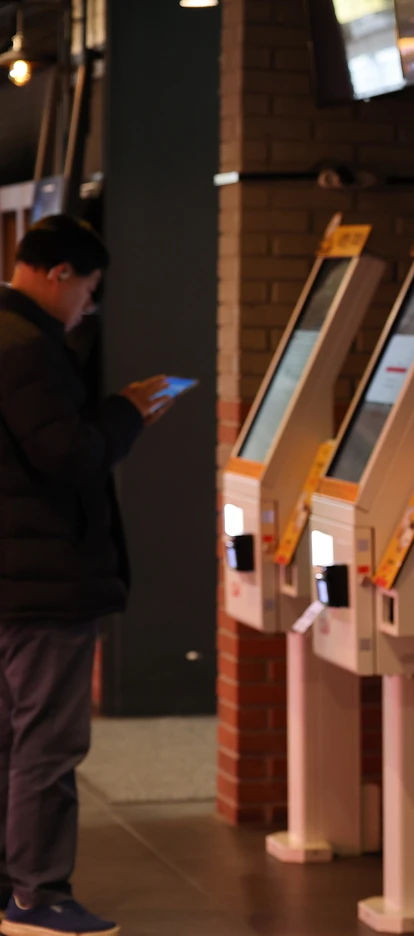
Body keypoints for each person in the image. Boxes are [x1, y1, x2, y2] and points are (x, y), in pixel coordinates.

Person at [0, 215, 173, 936]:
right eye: (88, 288)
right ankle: (39, 897)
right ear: (59, 274)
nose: (88, 305)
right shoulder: (26, 347)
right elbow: (69, 455)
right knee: (47, 743)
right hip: (43, 578)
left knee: (11, 740)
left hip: (14, 577)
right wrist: (126, 414)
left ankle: (13, 887)